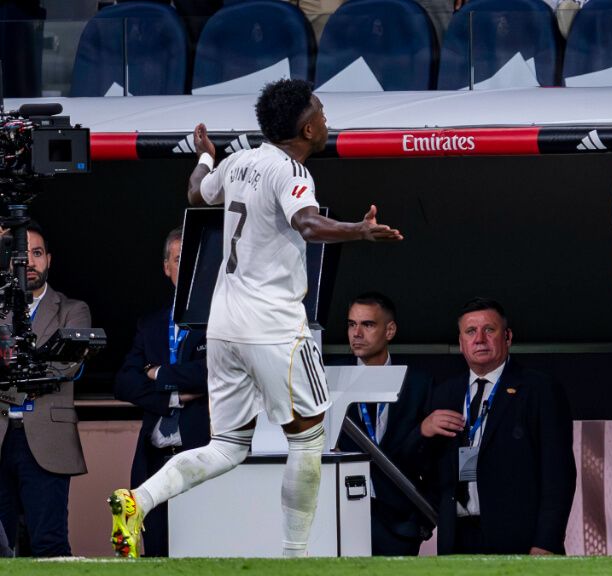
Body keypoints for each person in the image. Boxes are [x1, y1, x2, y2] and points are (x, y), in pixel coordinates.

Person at [107, 78, 403, 559]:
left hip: (223, 326)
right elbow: (306, 222)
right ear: (307, 129)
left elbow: (198, 195)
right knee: (308, 438)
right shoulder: (291, 171)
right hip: (275, 326)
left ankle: (137, 500)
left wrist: (206, 155)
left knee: (227, 446)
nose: (327, 120)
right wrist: (359, 231)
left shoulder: (240, 161)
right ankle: (295, 555)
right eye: (322, 113)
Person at [420, 298, 575, 555]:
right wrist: (423, 432)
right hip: (457, 538)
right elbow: (423, 467)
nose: (479, 338)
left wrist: (547, 541)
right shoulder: (443, 394)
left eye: (489, 330)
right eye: (470, 331)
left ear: (508, 336)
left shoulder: (539, 389)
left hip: (521, 541)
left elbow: (558, 475)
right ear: (461, 343)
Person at [113, 227, 210, 557]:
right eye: (180, 259)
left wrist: (158, 373)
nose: (187, 266)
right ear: (166, 266)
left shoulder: (220, 320)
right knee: (156, 552)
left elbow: (209, 374)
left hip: (199, 457)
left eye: (195, 259)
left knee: (199, 550)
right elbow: (124, 381)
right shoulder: (151, 324)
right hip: (154, 461)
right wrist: (171, 395)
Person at [0, 221, 91, 557]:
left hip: (45, 438)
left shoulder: (72, 309)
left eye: (37, 253)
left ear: (49, 259)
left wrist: (10, 372)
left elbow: (68, 365)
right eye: (22, 255)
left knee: (49, 544)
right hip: (2, 432)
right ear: (9, 260)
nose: (30, 262)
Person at [337, 292, 434, 556]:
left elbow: (431, 458)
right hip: (339, 520)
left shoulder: (418, 384)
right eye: (351, 324)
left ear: (389, 330)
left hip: (400, 524)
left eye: (367, 325)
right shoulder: (329, 380)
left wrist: (421, 519)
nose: (356, 333)